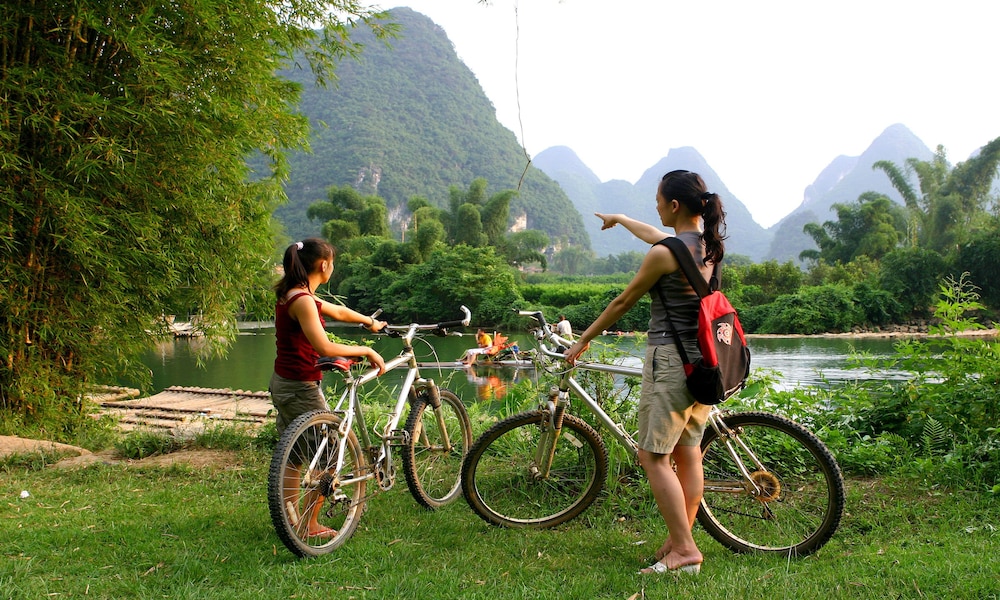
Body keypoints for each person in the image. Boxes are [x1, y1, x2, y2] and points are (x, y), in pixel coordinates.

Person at [564, 170, 727, 576]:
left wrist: (583, 339)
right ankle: (678, 541)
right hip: (702, 362)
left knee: (652, 456)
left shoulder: (664, 254)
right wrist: (620, 219)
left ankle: (685, 551)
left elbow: (623, 302)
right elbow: (657, 235)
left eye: (657, 201)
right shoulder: (708, 246)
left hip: (670, 362)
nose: (655, 208)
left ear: (674, 205)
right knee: (688, 452)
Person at [269, 238, 387, 539]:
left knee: (296, 455)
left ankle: (292, 520)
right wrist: (366, 350)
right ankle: (308, 526)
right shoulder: (303, 300)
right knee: (331, 454)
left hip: (285, 382)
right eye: (332, 263)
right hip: (300, 386)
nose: (332, 267)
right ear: (324, 265)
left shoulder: (295, 293)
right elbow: (323, 346)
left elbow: (339, 312)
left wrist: (370, 322)